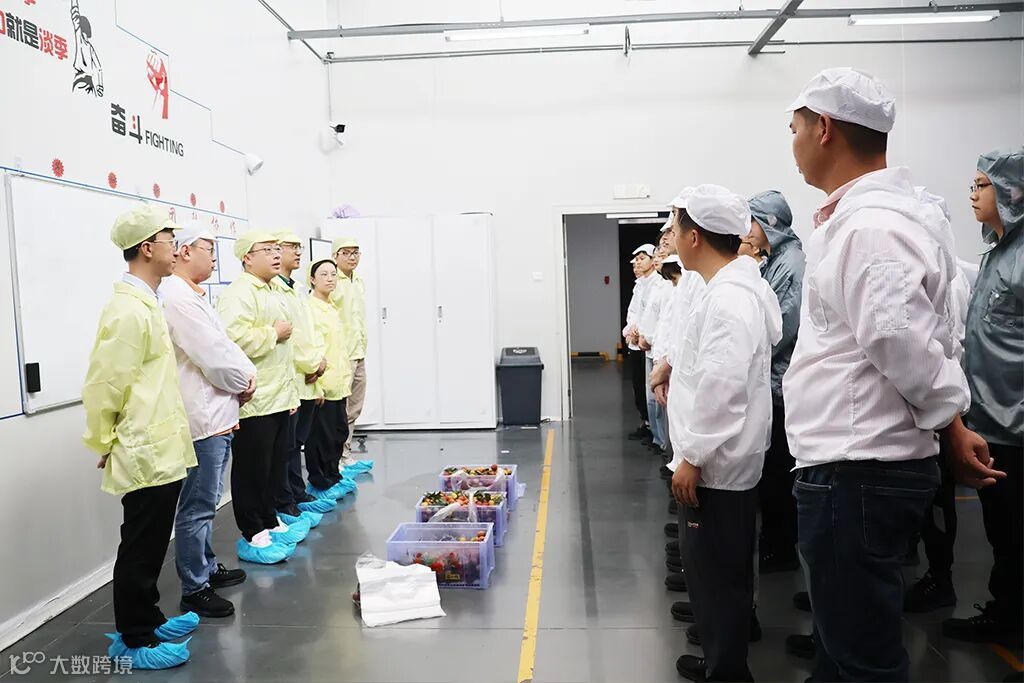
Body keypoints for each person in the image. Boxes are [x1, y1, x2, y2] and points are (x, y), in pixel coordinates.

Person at [783, 68, 969, 682]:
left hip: (857, 468)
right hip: (854, 465)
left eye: (795, 129)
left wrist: (948, 416)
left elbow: (898, 339)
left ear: (824, 128)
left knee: (862, 660)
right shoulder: (866, 221)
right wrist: (949, 423)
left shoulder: (871, 228)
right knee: (844, 651)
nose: (793, 145)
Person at [667, 185, 783, 682]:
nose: (672, 238)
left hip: (715, 466)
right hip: (723, 461)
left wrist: (692, 456)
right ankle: (723, 661)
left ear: (694, 237)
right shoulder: (730, 289)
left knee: (717, 580)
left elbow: (723, 388)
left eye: (675, 227)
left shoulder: (731, 300)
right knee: (720, 578)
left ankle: (728, 672)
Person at [83, 205, 197, 669]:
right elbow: (105, 383)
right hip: (144, 446)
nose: (178, 249)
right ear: (148, 248)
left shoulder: (148, 301)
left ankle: (148, 618)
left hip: (160, 444)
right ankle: (134, 638)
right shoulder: (128, 309)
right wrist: (102, 440)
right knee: (140, 544)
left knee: (152, 542)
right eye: (171, 241)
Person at [942, 147, 1023, 650]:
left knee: (1015, 532)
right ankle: (1006, 612)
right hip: (993, 420)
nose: (973, 195)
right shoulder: (997, 252)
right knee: (1002, 531)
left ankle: (1012, 621)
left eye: (982, 184)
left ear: (1013, 190)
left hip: (1016, 424)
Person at [160, 224, 256, 619]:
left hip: (217, 411)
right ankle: (194, 588)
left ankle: (207, 566)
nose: (214, 258)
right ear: (184, 251)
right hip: (202, 416)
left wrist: (244, 378)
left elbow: (224, 345)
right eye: (208, 249)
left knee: (207, 501)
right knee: (198, 505)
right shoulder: (176, 298)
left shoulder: (192, 295)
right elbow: (213, 357)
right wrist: (243, 383)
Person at [216, 232, 310, 565]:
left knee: (273, 466)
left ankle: (269, 518)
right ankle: (252, 530)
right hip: (254, 400)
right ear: (247, 257)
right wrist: (274, 333)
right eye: (267, 250)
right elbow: (231, 341)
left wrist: (291, 394)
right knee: (252, 469)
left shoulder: (270, 290)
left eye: (276, 249)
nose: (275, 255)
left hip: (279, 397)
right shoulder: (239, 293)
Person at [745, 191, 805, 574]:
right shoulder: (775, 260)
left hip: (781, 387)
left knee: (779, 475)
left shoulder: (792, 263)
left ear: (770, 222)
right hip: (771, 383)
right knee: (771, 474)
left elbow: (783, 325)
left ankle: (781, 549)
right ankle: (774, 541)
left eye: (752, 221)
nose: (747, 230)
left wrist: (748, 347)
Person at [269, 231, 338, 522]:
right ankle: (286, 501)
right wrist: (312, 364)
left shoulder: (294, 288)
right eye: (290, 247)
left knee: (295, 444)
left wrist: (318, 365)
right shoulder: (273, 290)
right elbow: (291, 338)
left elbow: (309, 334)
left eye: (298, 247)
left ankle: (296, 494)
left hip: (309, 376)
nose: (297, 252)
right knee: (286, 447)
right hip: (295, 377)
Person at [306, 259, 356, 497]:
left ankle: (333, 476)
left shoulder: (332, 306)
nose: (330, 279)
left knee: (338, 432)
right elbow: (313, 348)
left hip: (339, 383)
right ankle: (320, 482)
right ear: (312, 280)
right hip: (323, 384)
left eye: (333, 274)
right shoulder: (310, 308)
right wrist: (317, 385)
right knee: (321, 437)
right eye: (324, 274)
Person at [332, 238, 370, 467]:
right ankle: (334, 458)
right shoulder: (332, 281)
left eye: (355, 252)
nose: (352, 257)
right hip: (341, 355)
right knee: (339, 410)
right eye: (345, 252)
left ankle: (345, 454)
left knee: (354, 408)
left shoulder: (358, 281)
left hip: (358, 352)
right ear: (335, 256)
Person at [622, 243, 658, 441]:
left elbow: (652, 315)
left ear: (653, 260)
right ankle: (646, 423)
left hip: (647, 343)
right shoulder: (640, 285)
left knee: (650, 389)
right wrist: (630, 332)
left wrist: (641, 333)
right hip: (636, 341)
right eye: (635, 260)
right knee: (638, 386)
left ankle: (655, 432)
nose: (637, 263)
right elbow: (633, 313)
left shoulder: (657, 284)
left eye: (642, 258)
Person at [638, 248, 672, 456]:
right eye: (657, 255)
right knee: (653, 399)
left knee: (663, 402)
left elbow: (666, 324)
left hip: (662, 352)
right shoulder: (656, 286)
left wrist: (648, 339)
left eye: (662, 256)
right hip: (652, 348)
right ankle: (659, 440)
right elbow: (648, 317)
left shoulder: (669, 287)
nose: (658, 259)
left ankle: (666, 446)